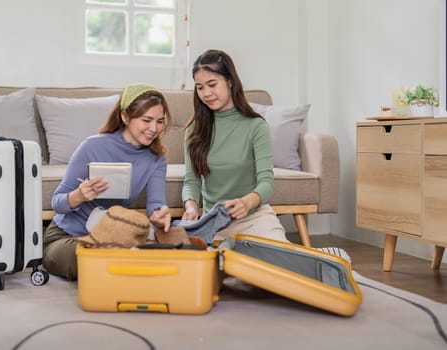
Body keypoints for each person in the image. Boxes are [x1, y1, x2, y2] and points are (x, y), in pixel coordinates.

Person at [43, 83, 173, 280]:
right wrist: (78, 196)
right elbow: (57, 203)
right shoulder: (92, 146)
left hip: (111, 239)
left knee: (129, 261)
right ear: (125, 116)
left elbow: (156, 204)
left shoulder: (156, 158)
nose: (154, 129)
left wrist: (159, 214)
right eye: (146, 120)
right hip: (67, 237)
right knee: (89, 262)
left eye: (160, 121)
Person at [181, 49, 288, 243]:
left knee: (280, 266)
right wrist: (190, 206)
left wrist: (246, 203)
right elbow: (192, 181)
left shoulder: (256, 126)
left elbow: (267, 183)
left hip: (254, 218)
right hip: (213, 223)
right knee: (216, 271)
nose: (206, 93)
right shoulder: (193, 131)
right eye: (200, 87)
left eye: (212, 84)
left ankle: (330, 260)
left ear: (230, 81)